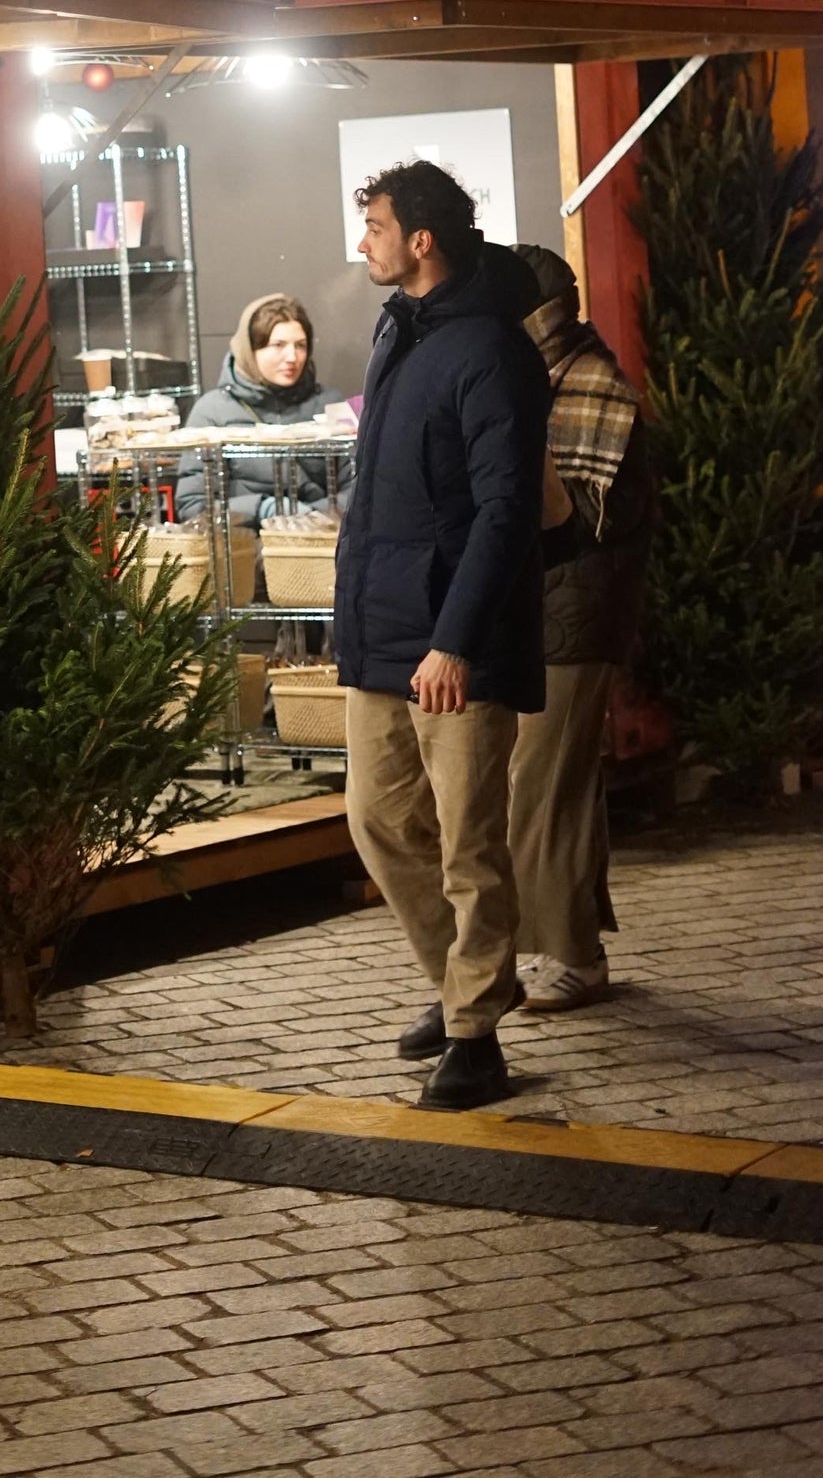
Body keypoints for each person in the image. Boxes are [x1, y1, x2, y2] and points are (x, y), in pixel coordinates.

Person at [336, 160, 549, 1111]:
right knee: (379, 823)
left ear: (421, 240)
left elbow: (506, 511)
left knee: (469, 843)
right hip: (382, 632)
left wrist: (456, 640)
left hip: (455, 642)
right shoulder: (398, 330)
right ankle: (465, 982)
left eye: (377, 226)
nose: (365, 243)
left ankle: (475, 1034)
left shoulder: (492, 351)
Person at [507, 243, 654, 1013]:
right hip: (553, 611)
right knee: (561, 782)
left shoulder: (590, 385)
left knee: (544, 786)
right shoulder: (550, 378)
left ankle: (564, 953)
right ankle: (578, 950)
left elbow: (589, 520)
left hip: (576, 616)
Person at [174, 292, 328, 525]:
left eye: (300, 345)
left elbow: (358, 489)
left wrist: (311, 517)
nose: (292, 357)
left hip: (318, 538)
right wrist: (263, 509)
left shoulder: (327, 404)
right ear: (250, 349)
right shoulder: (212, 412)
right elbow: (193, 506)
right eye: (278, 345)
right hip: (244, 541)